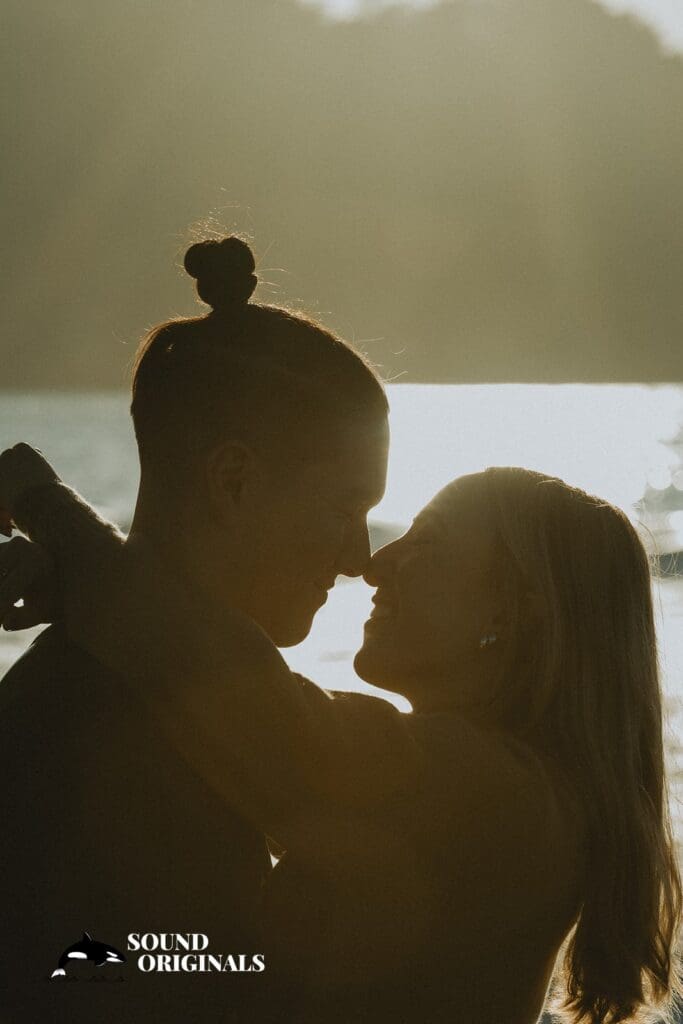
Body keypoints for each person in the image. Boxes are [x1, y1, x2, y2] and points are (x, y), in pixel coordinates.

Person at [1, 448, 681, 1024]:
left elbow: (249, 707)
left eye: (428, 543)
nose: (377, 565)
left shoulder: (498, 795)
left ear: (515, 605)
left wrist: (51, 510)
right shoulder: (515, 792)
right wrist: (84, 596)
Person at [0, 235, 390, 1023]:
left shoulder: (118, 681)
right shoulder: (130, 720)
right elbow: (80, 971)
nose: (358, 557)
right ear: (233, 480)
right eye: (344, 509)